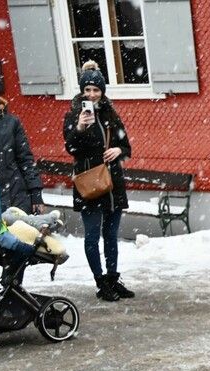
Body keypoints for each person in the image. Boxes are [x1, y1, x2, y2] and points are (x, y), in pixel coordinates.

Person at [63, 60, 134, 302]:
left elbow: (126, 146)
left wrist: (118, 151)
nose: (92, 95)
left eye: (96, 90)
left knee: (111, 234)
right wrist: (80, 128)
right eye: (88, 90)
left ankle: (113, 277)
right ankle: (100, 281)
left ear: (102, 91)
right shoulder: (74, 114)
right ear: (82, 91)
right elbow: (71, 147)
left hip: (112, 182)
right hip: (89, 181)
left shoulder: (111, 114)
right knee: (92, 235)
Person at [0, 72, 42, 215]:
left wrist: (36, 192)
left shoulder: (12, 122)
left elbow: (25, 159)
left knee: (22, 235)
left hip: (16, 195)